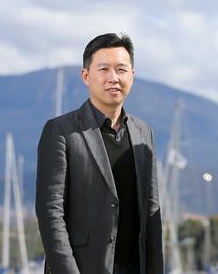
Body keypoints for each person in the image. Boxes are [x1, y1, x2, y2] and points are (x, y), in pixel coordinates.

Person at [36, 33, 163, 274]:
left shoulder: (144, 132)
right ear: (86, 76)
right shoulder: (61, 130)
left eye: (121, 70)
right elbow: (50, 210)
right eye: (103, 69)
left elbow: (151, 211)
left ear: (132, 76)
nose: (113, 78)